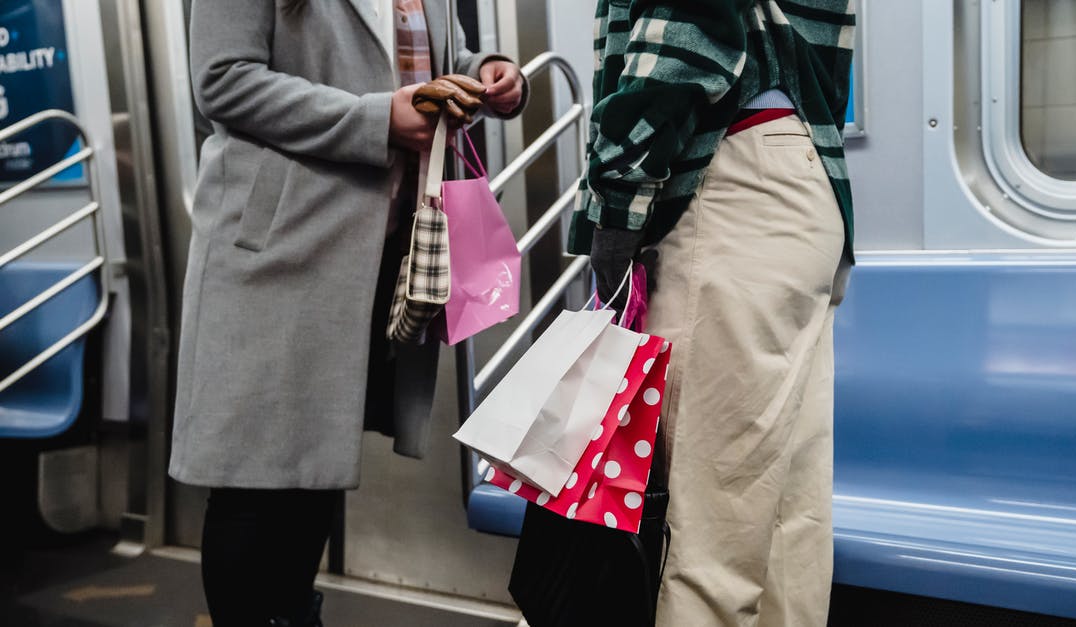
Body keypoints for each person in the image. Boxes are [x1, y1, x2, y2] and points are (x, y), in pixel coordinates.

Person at [172, 1, 525, 625]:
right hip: (278, 245)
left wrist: (488, 71)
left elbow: (425, 58)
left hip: (372, 251)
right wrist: (375, 118)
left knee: (317, 465)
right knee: (254, 478)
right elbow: (222, 79)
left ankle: (292, 614)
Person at [572, 1, 856, 624]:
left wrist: (616, 215)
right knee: (785, 515)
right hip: (799, 176)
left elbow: (685, 41)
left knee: (707, 536)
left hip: (726, 185)